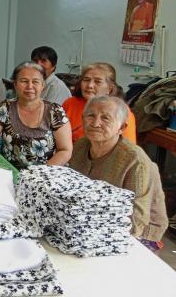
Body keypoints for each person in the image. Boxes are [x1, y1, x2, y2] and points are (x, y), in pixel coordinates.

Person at [69, 96, 167, 250]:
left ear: (121, 127)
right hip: (89, 222)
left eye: (105, 118)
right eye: (91, 115)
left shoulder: (135, 161)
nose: (95, 123)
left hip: (138, 233)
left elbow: (136, 223)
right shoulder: (81, 146)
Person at [0, 62, 72, 168]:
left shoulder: (55, 112)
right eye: (24, 81)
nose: (29, 86)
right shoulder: (5, 108)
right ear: (15, 84)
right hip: (12, 171)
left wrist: (41, 172)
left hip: (47, 172)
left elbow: (65, 150)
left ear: (42, 86)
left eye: (35, 81)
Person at [62, 62, 136, 143]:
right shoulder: (70, 103)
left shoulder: (121, 110)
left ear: (110, 88)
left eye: (97, 81)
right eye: (86, 80)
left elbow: (128, 147)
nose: (90, 85)